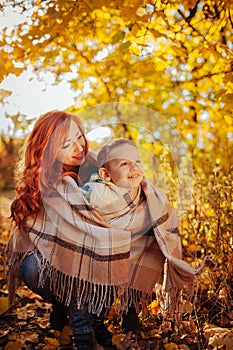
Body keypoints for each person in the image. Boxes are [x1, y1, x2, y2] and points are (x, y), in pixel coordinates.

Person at [6, 111, 195, 350]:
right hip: (60, 259)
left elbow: (130, 189)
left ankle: (129, 312)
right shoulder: (44, 181)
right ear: (48, 149)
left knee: (144, 231)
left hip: (103, 251)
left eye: (80, 137)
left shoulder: (97, 165)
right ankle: (68, 304)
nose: (78, 147)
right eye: (67, 144)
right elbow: (40, 233)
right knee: (33, 267)